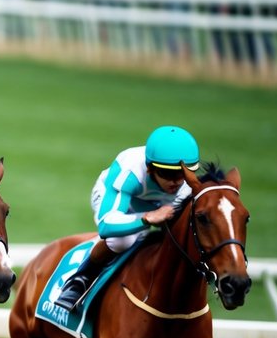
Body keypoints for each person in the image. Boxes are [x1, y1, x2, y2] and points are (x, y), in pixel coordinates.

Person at [53, 125, 196, 311]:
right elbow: (106, 226)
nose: (175, 182)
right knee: (122, 240)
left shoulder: (186, 187)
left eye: (182, 174)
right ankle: (80, 280)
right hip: (116, 202)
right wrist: (145, 219)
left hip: (157, 208)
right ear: (150, 169)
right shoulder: (130, 170)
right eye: (168, 174)